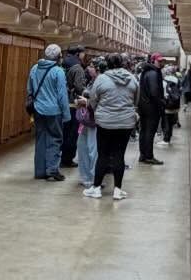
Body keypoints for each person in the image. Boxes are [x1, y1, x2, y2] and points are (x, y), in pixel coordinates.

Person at [88, 53, 139, 199]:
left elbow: (93, 99)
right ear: (122, 63)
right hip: (126, 122)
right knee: (119, 155)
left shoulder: (101, 79)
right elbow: (136, 100)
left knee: (102, 154)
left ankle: (96, 188)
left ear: (108, 64)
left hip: (105, 122)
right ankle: (117, 190)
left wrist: (100, 111)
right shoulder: (132, 78)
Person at [26, 42, 70, 181]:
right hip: (54, 111)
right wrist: (66, 114)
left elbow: (30, 89)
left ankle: (39, 171)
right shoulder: (58, 72)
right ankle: (52, 169)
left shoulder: (34, 68)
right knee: (55, 139)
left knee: (40, 139)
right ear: (58, 57)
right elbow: (62, 95)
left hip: (38, 109)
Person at [59, 45, 88, 167]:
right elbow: (79, 87)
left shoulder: (62, 64)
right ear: (78, 54)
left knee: (64, 133)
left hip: (62, 102)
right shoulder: (78, 68)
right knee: (72, 134)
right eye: (83, 53)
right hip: (73, 104)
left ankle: (62, 157)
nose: (84, 56)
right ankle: (67, 159)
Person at [76, 59, 101, 194]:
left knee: (93, 149)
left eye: (91, 66)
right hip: (87, 120)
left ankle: (93, 178)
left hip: (95, 121)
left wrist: (87, 102)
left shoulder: (101, 81)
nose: (88, 68)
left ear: (97, 68)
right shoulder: (92, 81)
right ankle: (85, 177)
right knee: (83, 147)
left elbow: (100, 102)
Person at [137, 54, 165, 164]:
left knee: (143, 131)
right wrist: (162, 102)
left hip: (144, 106)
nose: (161, 63)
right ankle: (148, 156)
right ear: (153, 61)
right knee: (149, 132)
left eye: (162, 61)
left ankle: (143, 155)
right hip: (151, 107)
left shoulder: (146, 72)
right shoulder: (153, 73)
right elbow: (154, 92)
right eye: (159, 61)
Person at [160, 64, 181, 145]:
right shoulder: (177, 80)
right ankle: (169, 136)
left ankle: (166, 139)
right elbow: (179, 91)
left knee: (166, 122)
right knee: (171, 122)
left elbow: (162, 93)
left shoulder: (164, 80)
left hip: (167, 104)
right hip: (175, 105)